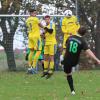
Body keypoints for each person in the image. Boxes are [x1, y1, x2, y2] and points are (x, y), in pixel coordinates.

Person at [62, 26, 100, 95]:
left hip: (66, 60)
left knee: (68, 74)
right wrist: (97, 60)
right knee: (80, 53)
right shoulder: (82, 41)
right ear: (84, 34)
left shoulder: (70, 37)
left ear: (77, 30)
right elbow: (89, 52)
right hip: (74, 61)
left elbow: (66, 46)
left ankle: (72, 91)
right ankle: (73, 91)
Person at [26, 9, 43, 74]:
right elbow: (40, 25)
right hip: (36, 37)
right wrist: (45, 28)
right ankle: (33, 67)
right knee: (38, 51)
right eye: (35, 13)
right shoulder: (35, 19)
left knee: (31, 51)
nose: (36, 14)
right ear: (32, 13)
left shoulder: (27, 20)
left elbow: (33, 27)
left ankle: (29, 67)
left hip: (30, 36)